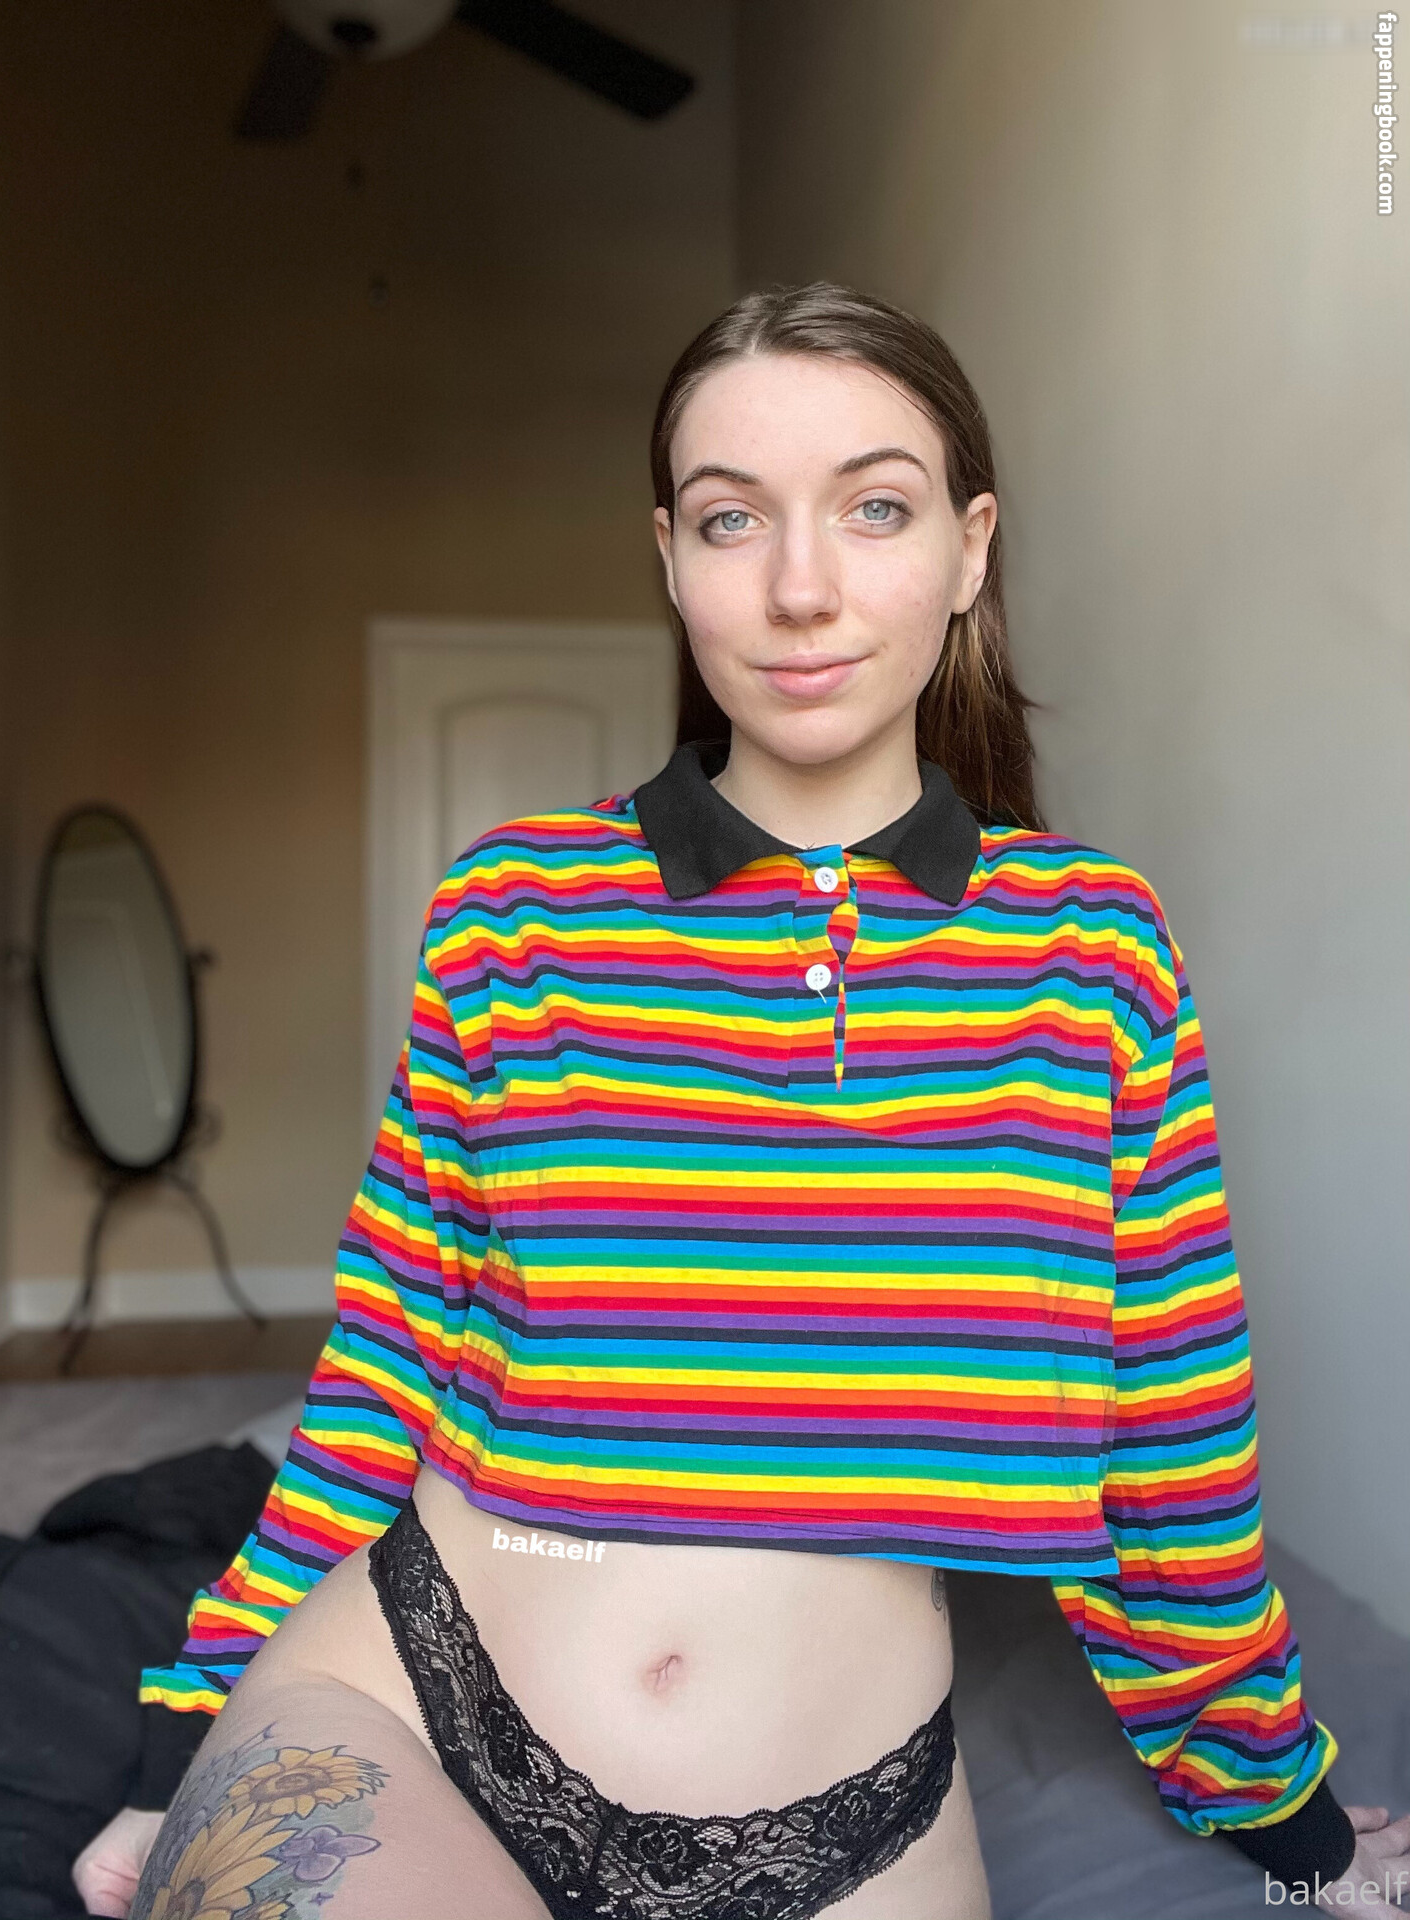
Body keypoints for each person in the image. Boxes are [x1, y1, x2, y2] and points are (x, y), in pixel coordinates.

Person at [76, 284, 1409, 1920]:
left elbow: (1170, 1449)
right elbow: (383, 1369)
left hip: (849, 1822)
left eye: (875, 507)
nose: (798, 586)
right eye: (730, 518)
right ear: (670, 558)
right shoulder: (517, 913)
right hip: (412, 1701)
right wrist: (188, 1736)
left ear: (970, 549)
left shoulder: (1092, 956)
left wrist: (1283, 1812)